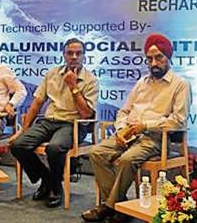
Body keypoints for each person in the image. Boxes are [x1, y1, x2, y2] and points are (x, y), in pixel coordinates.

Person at [82, 33, 191, 223]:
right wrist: (122, 129)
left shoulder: (180, 85)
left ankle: (109, 207)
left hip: (155, 138)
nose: (153, 63)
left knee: (126, 160)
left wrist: (145, 126)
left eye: (158, 58)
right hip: (129, 135)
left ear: (168, 57)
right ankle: (119, 205)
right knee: (96, 152)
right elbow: (124, 111)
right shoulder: (142, 83)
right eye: (149, 59)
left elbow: (178, 121)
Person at [10, 38, 98, 208]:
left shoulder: (90, 80)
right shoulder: (52, 74)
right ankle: (47, 178)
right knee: (18, 145)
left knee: (55, 148)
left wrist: (73, 86)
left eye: (78, 53)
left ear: (84, 56)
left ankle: (56, 188)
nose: (74, 57)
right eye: (70, 53)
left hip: (73, 124)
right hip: (49, 121)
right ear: (64, 55)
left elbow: (86, 113)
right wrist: (24, 130)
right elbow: (36, 104)